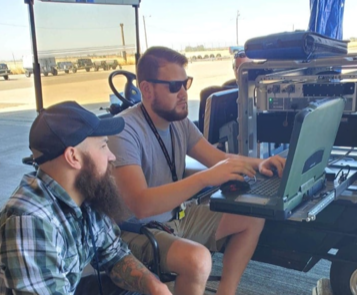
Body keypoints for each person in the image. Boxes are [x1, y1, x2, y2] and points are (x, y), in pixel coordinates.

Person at [108, 46, 285, 295]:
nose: (183, 94)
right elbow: (141, 205)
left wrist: (259, 164)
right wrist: (205, 179)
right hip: (134, 231)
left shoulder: (179, 123)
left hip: (175, 218)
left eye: (185, 83)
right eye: (174, 86)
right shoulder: (124, 130)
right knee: (198, 259)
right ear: (146, 89)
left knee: (254, 214)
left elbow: (219, 159)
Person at [0, 101, 171, 295]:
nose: (112, 156)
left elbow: (114, 254)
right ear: (73, 157)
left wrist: (153, 286)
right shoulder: (30, 221)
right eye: (103, 146)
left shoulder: (86, 194)